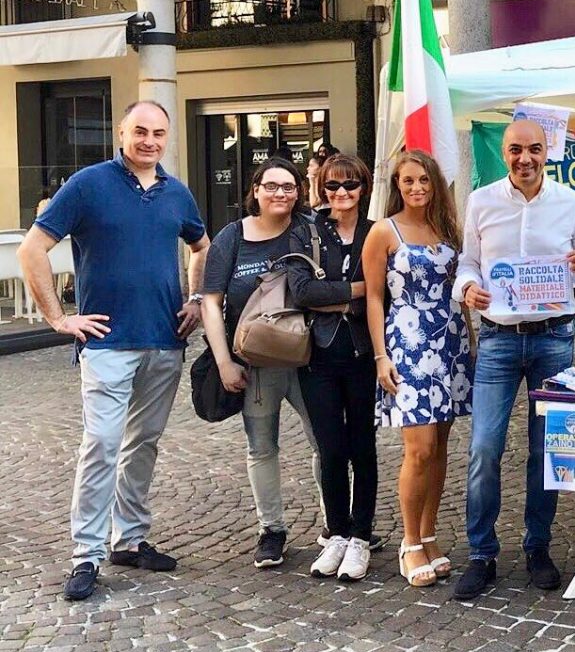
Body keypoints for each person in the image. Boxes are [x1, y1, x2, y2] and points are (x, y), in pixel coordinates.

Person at [17, 101, 209, 602]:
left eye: (158, 133)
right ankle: (86, 554)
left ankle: (130, 539)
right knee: (101, 444)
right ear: (121, 133)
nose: (149, 140)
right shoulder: (88, 184)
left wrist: (194, 300)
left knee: (142, 444)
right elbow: (30, 249)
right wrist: (58, 318)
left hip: (164, 342)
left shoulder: (176, 192)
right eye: (140, 131)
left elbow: (202, 246)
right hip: (106, 342)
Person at [452, 119, 575, 600]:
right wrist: (468, 288)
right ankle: (481, 554)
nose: (525, 159)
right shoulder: (482, 201)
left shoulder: (570, 202)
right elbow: (468, 263)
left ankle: (538, 546)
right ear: (504, 151)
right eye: (516, 150)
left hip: (553, 338)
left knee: (547, 450)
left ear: (547, 151)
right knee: (484, 449)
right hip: (498, 337)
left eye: (534, 150)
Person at [364, 150, 473, 588]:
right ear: (397, 185)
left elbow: (460, 287)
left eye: (424, 180)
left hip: (449, 343)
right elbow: (373, 297)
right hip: (408, 345)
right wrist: (380, 356)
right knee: (420, 447)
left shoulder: (448, 229)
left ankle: (429, 534)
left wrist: (471, 342)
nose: (417, 188)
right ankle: (409, 542)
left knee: (442, 447)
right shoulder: (383, 232)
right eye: (408, 181)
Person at [201, 158, 316, 571]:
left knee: (325, 442)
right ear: (255, 190)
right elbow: (211, 303)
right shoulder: (232, 237)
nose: (280, 193)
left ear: (299, 191)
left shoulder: (309, 230)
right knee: (261, 446)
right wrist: (224, 361)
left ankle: (336, 523)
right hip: (254, 364)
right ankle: (272, 529)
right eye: (271, 186)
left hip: (307, 358)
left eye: (288, 186)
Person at [287, 153, 379, 583]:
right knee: (329, 448)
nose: (341, 194)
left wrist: (334, 294)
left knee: (362, 445)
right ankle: (337, 533)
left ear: (363, 187)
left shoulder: (375, 233)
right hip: (319, 354)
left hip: (363, 353)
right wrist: (356, 292)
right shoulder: (307, 232)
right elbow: (303, 291)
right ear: (321, 190)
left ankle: (361, 535)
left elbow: (387, 292)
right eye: (332, 187)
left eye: (350, 185)